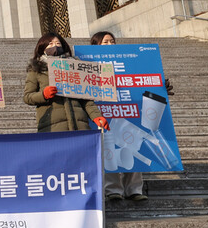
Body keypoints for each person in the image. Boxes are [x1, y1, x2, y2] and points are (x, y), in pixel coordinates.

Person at [89, 30, 173, 202]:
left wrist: (159, 85)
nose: (110, 44)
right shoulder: (89, 64)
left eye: (112, 41)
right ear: (96, 45)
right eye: (105, 42)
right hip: (105, 112)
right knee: (109, 150)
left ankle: (134, 189)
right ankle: (112, 189)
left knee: (134, 146)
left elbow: (143, 78)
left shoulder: (128, 61)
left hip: (129, 110)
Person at [23, 32, 109, 133]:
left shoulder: (75, 66)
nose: (55, 46)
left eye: (58, 44)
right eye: (50, 44)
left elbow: (86, 98)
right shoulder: (37, 69)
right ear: (42, 48)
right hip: (52, 127)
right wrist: (43, 95)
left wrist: (96, 116)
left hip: (80, 125)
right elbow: (27, 97)